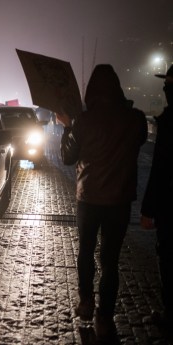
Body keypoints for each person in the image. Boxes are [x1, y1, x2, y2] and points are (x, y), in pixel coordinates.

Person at [56, 64, 148, 342]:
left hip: (89, 198)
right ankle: (104, 317)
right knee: (111, 261)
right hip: (119, 200)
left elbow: (68, 158)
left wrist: (68, 127)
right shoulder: (135, 119)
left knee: (86, 252)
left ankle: (85, 302)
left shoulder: (83, 121)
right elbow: (139, 142)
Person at [140, 64, 173, 328]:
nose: (165, 88)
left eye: (169, 83)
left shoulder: (170, 122)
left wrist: (148, 208)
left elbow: (161, 168)